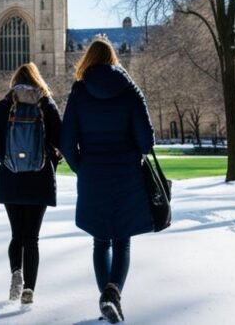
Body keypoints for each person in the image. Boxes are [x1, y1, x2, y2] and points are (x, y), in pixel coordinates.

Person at [60, 39, 155, 324]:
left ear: (87, 60)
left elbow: (66, 141)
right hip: (125, 173)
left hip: (93, 175)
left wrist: (82, 168)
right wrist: (132, 157)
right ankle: (113, 294)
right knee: (121, 241)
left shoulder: (79, 91)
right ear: (113, 58)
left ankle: (106, 296)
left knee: (100, 241)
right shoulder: (129, 90)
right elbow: (147, 141)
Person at [0, 63, 61, 306]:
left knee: (17, 234)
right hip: (39, 180)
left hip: (11, 179)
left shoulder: (2, 106)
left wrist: (11, 156)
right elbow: (61, 142)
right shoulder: (47, 105)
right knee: (32, 238)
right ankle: (29, 288)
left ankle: (16, 273)